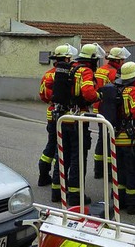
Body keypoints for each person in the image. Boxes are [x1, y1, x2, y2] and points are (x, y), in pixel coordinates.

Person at [50, 42, 103, 206]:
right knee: (77, 158)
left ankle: (57, 192)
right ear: (92, 59)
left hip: (63, 118)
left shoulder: (70, 68)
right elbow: (88, 93)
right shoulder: (85, 71)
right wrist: (99, 95)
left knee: (62, 155)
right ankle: (75, 196)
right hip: (78, 120)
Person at [101, 61, 135, 215]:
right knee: (134, 171)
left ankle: (121, 200)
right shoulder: (133, 91)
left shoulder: (116, 90)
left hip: (116, 137)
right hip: (132, 139)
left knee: (121, 171)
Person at [38, 44, 78, 189]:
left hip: (51, 113)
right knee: (61, 148)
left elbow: (42, 95)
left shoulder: (48, 74)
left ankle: (43, 175)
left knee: (51, 144)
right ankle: (57, 179)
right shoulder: (66, 73)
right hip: (63, 115)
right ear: (67, 58)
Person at [93, 46, 130, 179]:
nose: (124, 62)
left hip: (99, 106)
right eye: (123, 60)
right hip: (109, 109)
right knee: (110, 139)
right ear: (118, 60)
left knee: (101, 139)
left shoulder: (100, 69)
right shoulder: (114, 73)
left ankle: (98, 169)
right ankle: (109, 170)